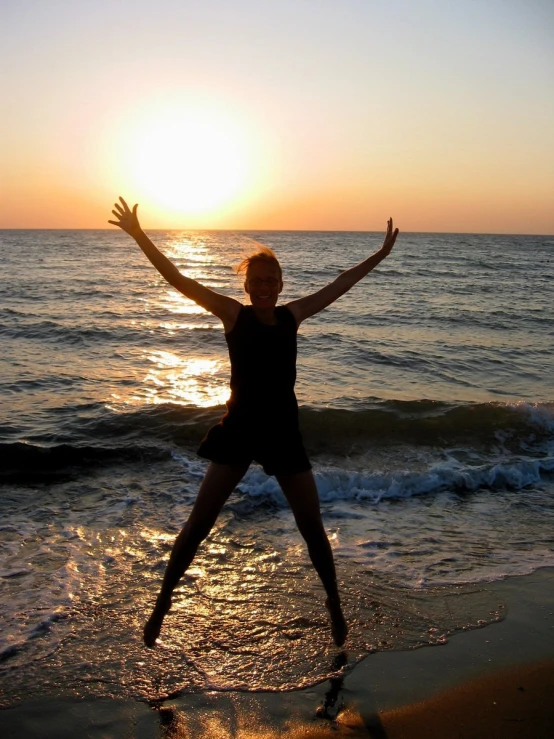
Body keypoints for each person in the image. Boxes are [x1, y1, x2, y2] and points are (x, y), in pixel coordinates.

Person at [109, 197, 399, 648]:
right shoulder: (233, 315)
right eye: (256, 281)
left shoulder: (293, 315)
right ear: (246, 285)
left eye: (270, 281)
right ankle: (163, 604)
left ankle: (334, 606)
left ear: (281, 284)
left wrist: (379, 256)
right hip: (239, 430)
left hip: (283, 434)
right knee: (198, 524)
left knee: (312, 528)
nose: (263, 287)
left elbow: (340, 285)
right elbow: (178, 280)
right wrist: (139, 235)